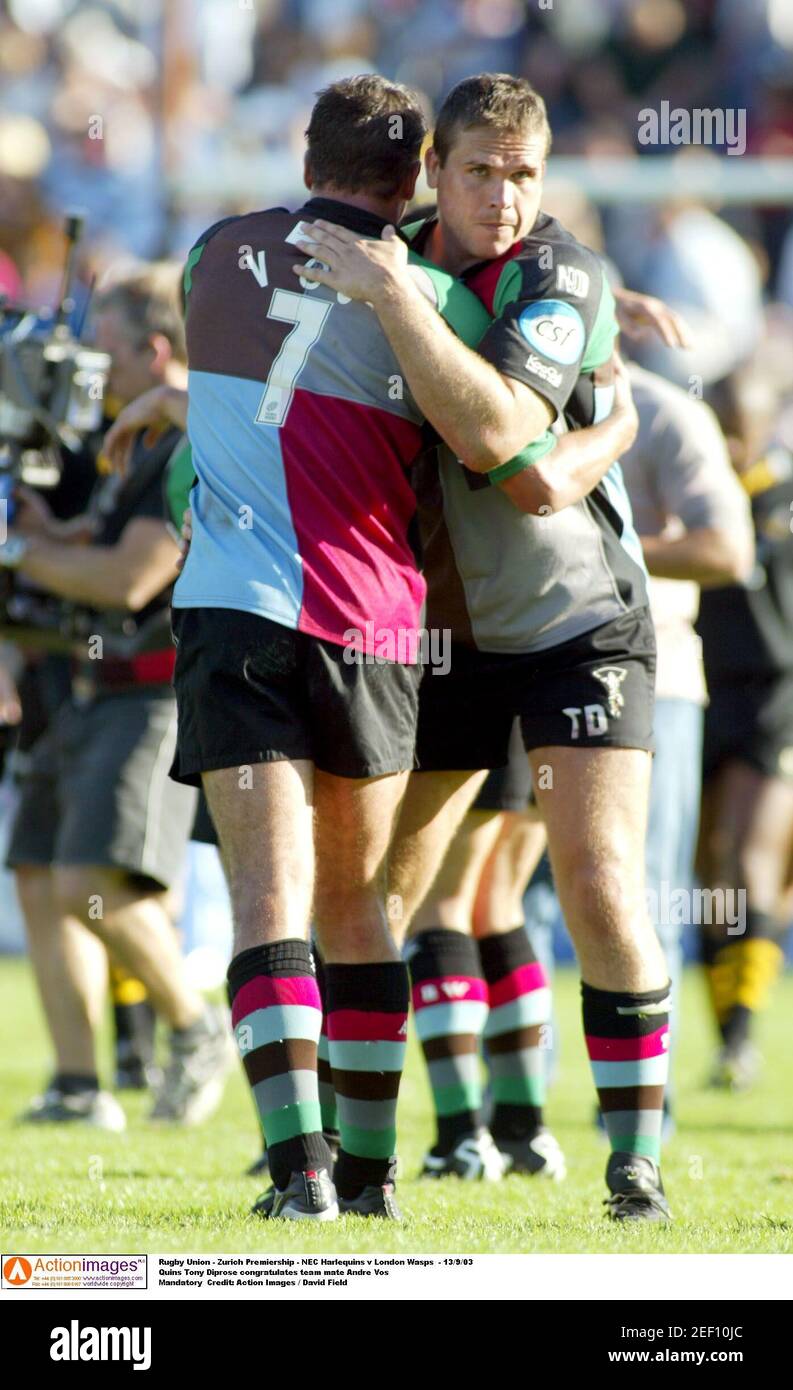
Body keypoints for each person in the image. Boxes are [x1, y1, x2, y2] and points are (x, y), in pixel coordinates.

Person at [167, 74, 639, 1222]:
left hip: (236, 605)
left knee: (266, 904)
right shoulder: (444, 303)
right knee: (362, 906)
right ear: (422, 172)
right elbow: (507, 448)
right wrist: (616, 409)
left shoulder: (213, 251)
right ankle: (375, 1180)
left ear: (303, 150)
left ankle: (302, 1177)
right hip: (382, 626)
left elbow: (217, 405)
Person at [298, 72, 676, 1220]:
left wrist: (402, 296)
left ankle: (632, 1165)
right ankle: (351, 1169)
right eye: (479, 173)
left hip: (577, 629)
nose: (504, 198)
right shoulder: (391, 241)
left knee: (598, 880)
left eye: (524, 176)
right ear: (433, 173)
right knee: (367, 893)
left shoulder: (556, 275)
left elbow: (508, 455)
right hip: (445, 639)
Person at [1, 263, 232, 1130]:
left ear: (157, 349)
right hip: (88, 688)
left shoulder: (185, 440)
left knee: (93, 879)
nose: (91, 365)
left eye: (105, 345)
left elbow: (132, 578)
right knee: (39, 876)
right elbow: (91, 540)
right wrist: (40, 530)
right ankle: (76, 1084)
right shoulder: (128, 434)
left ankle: (193, 1022)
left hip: (151, 694)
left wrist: (20, 554)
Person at [696, 381, 793, 1089]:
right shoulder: (698, 494)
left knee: (749, 858)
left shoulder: (783, 502)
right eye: (718, 426)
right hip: (703, 696)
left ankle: (741, 1037)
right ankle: (725, 1033)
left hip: (777, 699)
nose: (729, 444)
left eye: (740, 428)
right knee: (710, 875)